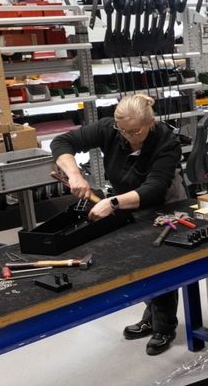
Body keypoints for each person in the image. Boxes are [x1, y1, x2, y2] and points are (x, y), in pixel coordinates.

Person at [51, 94, 187, 356]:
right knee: (138, 259)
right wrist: (75, 174)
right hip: (125, 198)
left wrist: (112, 203)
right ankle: (151, 315)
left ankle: (164, 327)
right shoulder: (109, 130)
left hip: (163, 202)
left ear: (150, 123)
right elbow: (62, 142)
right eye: (122, 131)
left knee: (159, 261)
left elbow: (154, 189)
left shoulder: (166, 141)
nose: (128, 137)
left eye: (135, 131)